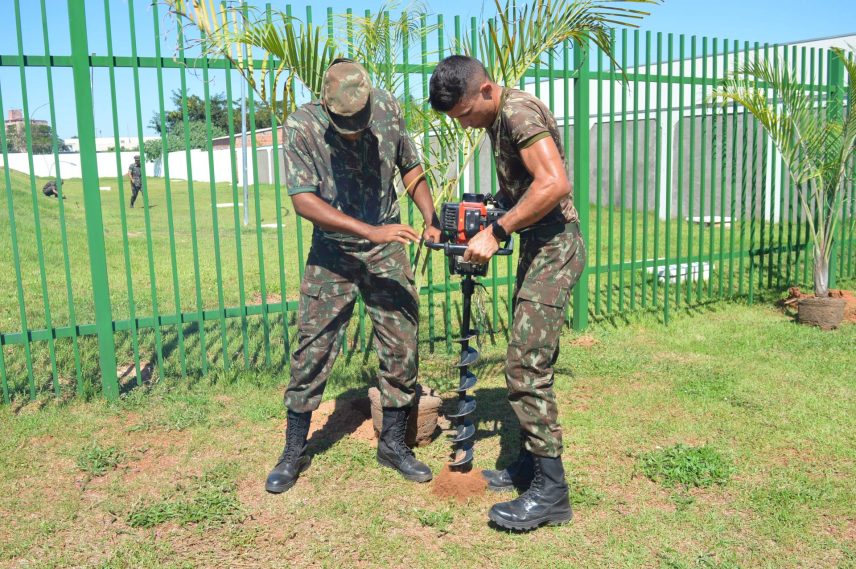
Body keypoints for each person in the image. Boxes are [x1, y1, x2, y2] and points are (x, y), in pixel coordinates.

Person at [265, 58, 442, 494]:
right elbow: (303, 200)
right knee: (314, 345)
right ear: (326, 104)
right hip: (334, 251)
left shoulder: (388, 108)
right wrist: (368, 230)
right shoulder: (302, 126)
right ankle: (293, 450)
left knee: (401, 340)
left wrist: (431, 216)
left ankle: (393, 444)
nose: (355, 130)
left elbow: (410, 167)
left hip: (386, 247)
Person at [429, 55, 587, 531]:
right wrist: (492, 207)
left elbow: (555, 183)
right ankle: (528, 467)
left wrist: (496, 231)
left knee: (524, 365)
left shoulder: (516, 113)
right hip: (539, 246)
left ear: (485, 90)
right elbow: (526, 187)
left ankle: (552, 494)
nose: (463, 124)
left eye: (464, 114)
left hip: (555, 248)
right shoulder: (497, 118)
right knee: (530, 359)